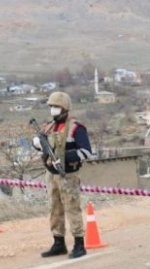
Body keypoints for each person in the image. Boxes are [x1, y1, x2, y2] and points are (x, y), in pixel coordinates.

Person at [32, 91, 94, 259]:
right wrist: (37, 143)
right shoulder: (50, 126)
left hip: (68, 175)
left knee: (72, 208)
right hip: (51, 174)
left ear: (65, 108)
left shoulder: (76, 128)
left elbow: (86, 152)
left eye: (56, 107)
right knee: (55, 208)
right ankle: (58, 242)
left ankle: (79, 244)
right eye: (51, 106)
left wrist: (65, 158)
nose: (53, 110)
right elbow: (44, 146)